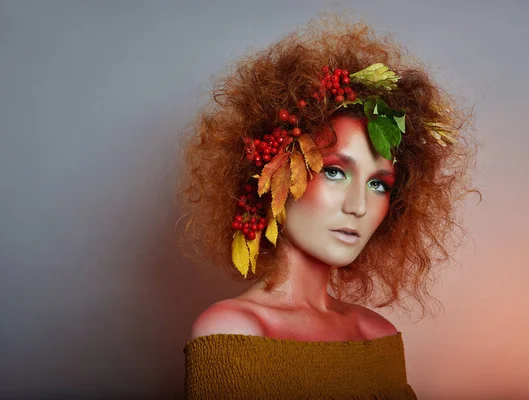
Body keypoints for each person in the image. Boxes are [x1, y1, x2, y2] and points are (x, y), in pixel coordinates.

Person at [176, 15, 477, 400]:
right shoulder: (232, 330)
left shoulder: (378, 335)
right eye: (335, 172)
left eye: (377, 184)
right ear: (276, 171)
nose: (359, 206)